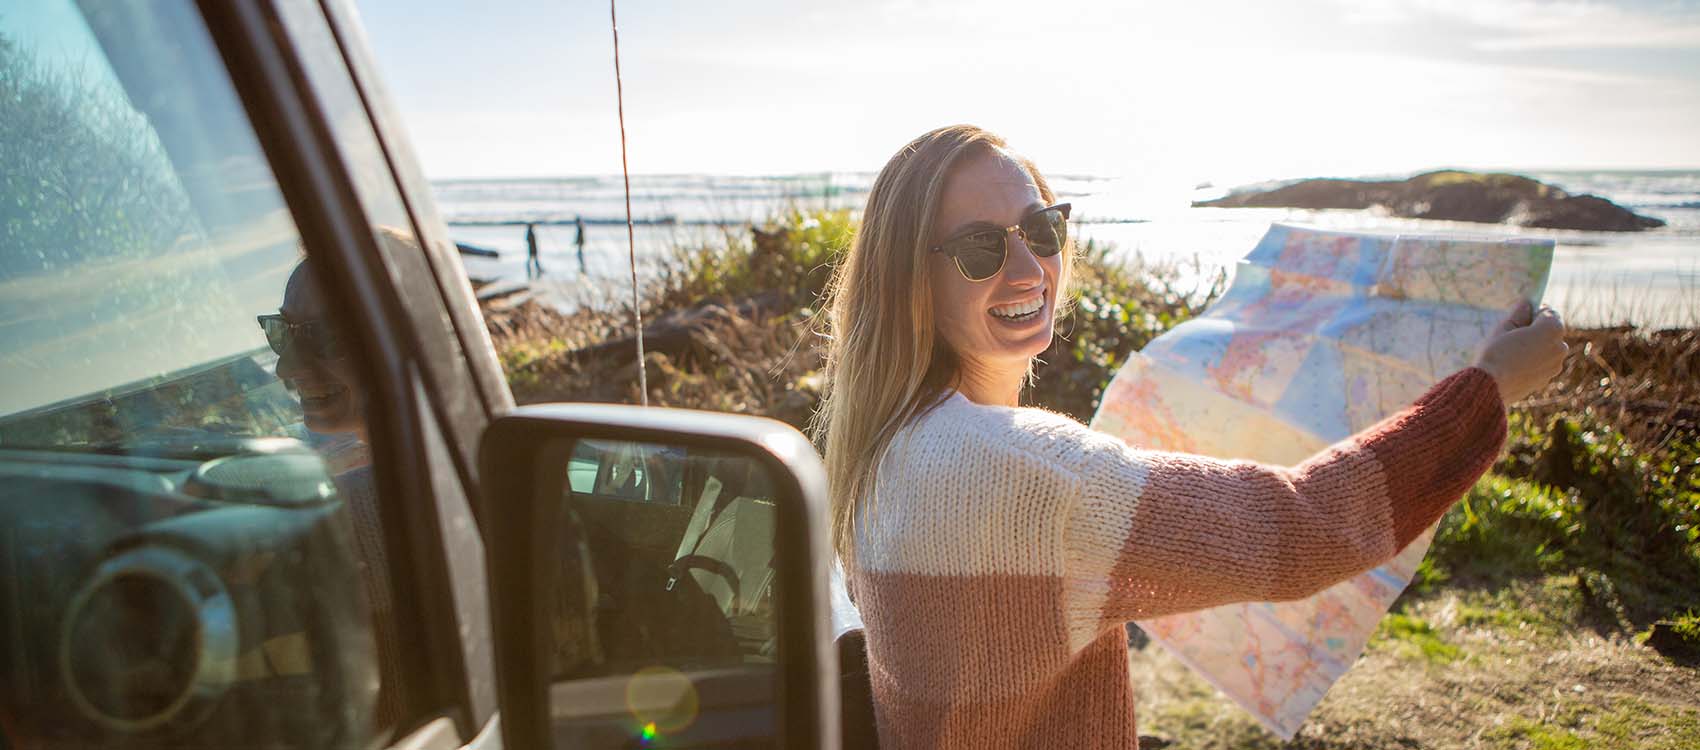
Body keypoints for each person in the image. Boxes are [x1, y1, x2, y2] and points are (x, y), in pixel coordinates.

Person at [810, 125, 1569, 749]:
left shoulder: (881, 450)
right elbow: (1302, 528)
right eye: (981, 248)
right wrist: (1488, 390)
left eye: (1041, 228)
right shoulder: (1027, 473)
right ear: (912, 278)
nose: (1028, 266)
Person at [262, 259, 406, 730]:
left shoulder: (353, 515)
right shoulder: (401, 477)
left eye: (327, 336)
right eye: (283, 333)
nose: (287, 367)